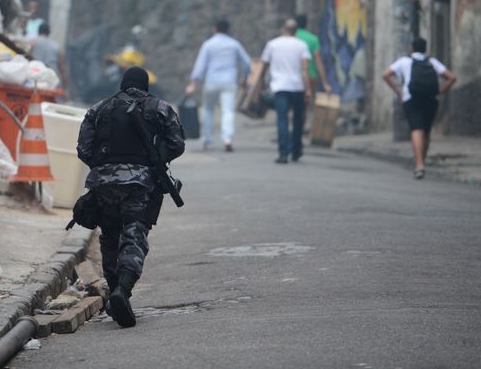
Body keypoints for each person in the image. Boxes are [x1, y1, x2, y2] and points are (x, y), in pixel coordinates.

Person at [77, 66, 185, 328]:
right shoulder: (159, 108)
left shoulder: (98, 109)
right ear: (145, 86)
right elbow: (177, 144)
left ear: (122, 84)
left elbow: (84, 149)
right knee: (134, 235)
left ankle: (115, 292)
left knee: (110, 237)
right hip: (139, 184)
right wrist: (153, 160)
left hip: (102, 185)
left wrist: (105, 168)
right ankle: (122, 291)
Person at [382, 38, 457, 179]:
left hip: (411, 99)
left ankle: (419, 164)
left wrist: (398, 91)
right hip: (431, 99)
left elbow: (385, 75)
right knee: (426, 131)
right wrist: (440, 91)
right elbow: (452, 77)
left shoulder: (404, 61)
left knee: (416, 129)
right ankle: (422, 161)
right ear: (425, 48)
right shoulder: (432, 62)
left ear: (412, 48)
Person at [185, 19, 251, 152]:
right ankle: (228, 139)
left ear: (214, 29)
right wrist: (245, 77)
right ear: (228, 30)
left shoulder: (208, 44)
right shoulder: (234, 44)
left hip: (212, 81)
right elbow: (247, 63)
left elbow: (200, 65)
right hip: (229, 81)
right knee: (228, 110)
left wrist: (193, 84)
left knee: (208, 110)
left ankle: (208, 140)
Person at [255, 18, 311, 164]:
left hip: (280, 87)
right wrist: (308, 89)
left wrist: (261, 84)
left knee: (282, 119)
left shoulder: (272, 45)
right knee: (298, 119)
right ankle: (296, 150)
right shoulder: (301, 45)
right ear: (295, 31)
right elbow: (305, 69)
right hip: (297, 87)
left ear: (282, 29)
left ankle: (283, 153)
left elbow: (263, 67)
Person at [295, 14, 330, 94]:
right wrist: (325, 83)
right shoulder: (313, 39)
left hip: (294, 76)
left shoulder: (291, 38)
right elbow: (318, 62)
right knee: (309, 102)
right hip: (311, 76)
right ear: (306, 24)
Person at [29, 23, 68, 87]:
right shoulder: (57, 47)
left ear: (38, 32)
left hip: (35, 80)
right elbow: (62, 68)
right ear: (49, 33)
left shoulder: (32, 42)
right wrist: (65, 85)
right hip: (52, 82)